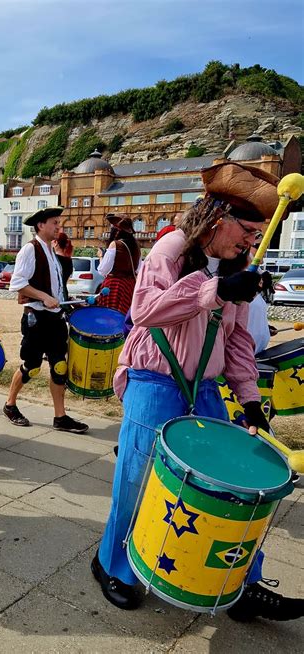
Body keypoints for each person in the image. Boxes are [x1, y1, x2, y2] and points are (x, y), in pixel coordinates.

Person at [91, 162, 303, 622]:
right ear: (219, 217)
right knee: (137, 474)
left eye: (258, 233)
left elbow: (238, 341)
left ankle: (241, 582)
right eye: (247, 230)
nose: (251, 240)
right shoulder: (172, 248)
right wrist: (216, 289)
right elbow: (145, 310)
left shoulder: (238, 265)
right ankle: (113, 565)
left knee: (237, 481)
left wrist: (249, 401)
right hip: (152, 377)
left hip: (204, 384)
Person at [3, 206, 88, 433]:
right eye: (54, 222)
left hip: (55, 319)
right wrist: (43, 297)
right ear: (41, 225)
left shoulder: (51, 251)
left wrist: (70, 301)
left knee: (59, 367)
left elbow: (56, 289)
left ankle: (60, 417)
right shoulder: (29, 250)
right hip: (36, 318)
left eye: (58, 222)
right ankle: (10, 405)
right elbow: (17, 284)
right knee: (31, 367)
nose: (58, 226)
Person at [96, 214, 141, 314]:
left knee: (109, 318)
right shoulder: (136, 245)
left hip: (114, 287)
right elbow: (138, 269)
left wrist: (100, 256)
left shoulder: (115, 244)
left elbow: (102, 270)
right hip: (129, 286)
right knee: (124, 317)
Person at [53, 231, 73, 302]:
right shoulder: (69, 260)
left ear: (56, 243)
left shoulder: (53, 259)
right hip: (64, 294)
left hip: (54, 296)